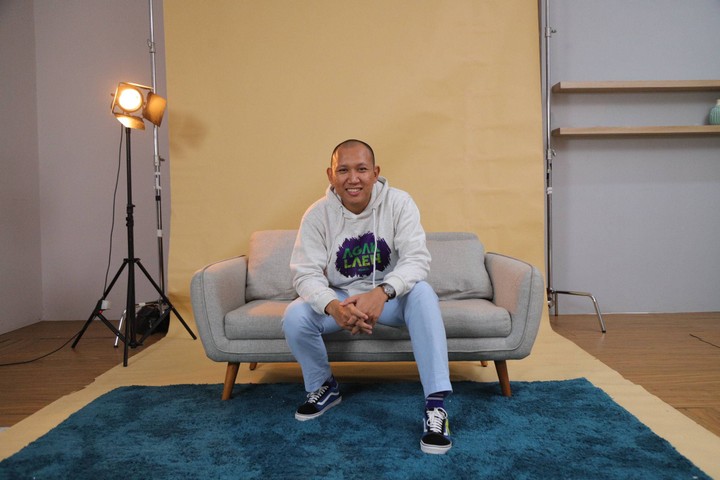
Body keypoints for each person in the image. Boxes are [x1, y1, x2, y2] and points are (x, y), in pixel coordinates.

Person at [282, 139, 453, 454]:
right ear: (330, 175)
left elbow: (417, 260)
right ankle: (324, 387)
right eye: (343, 170)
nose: (353, 178)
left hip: (389, 298)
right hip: (342, 298)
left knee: (423, 293)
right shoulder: (317, 214)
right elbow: (305, 273)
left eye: (361, 169)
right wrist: (333, 306)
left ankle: (435, 405)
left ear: (375, 173)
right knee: (295, 315)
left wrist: (382, 292)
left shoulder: (399, 203)